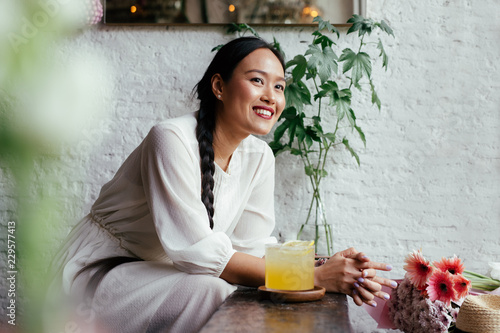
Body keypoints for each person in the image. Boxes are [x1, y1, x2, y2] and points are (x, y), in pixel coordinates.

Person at [45, 36, 397, 333]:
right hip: (98, 273)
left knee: (232, 290)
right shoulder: (170, 139)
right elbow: (197, 251)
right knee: (213, 292)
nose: (271, 96)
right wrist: (311, 277)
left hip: (163, 275)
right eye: (257, 80)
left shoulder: (260, 158)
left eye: (279, 86)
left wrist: (324, 266)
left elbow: (253, 249)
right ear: (219, 86)